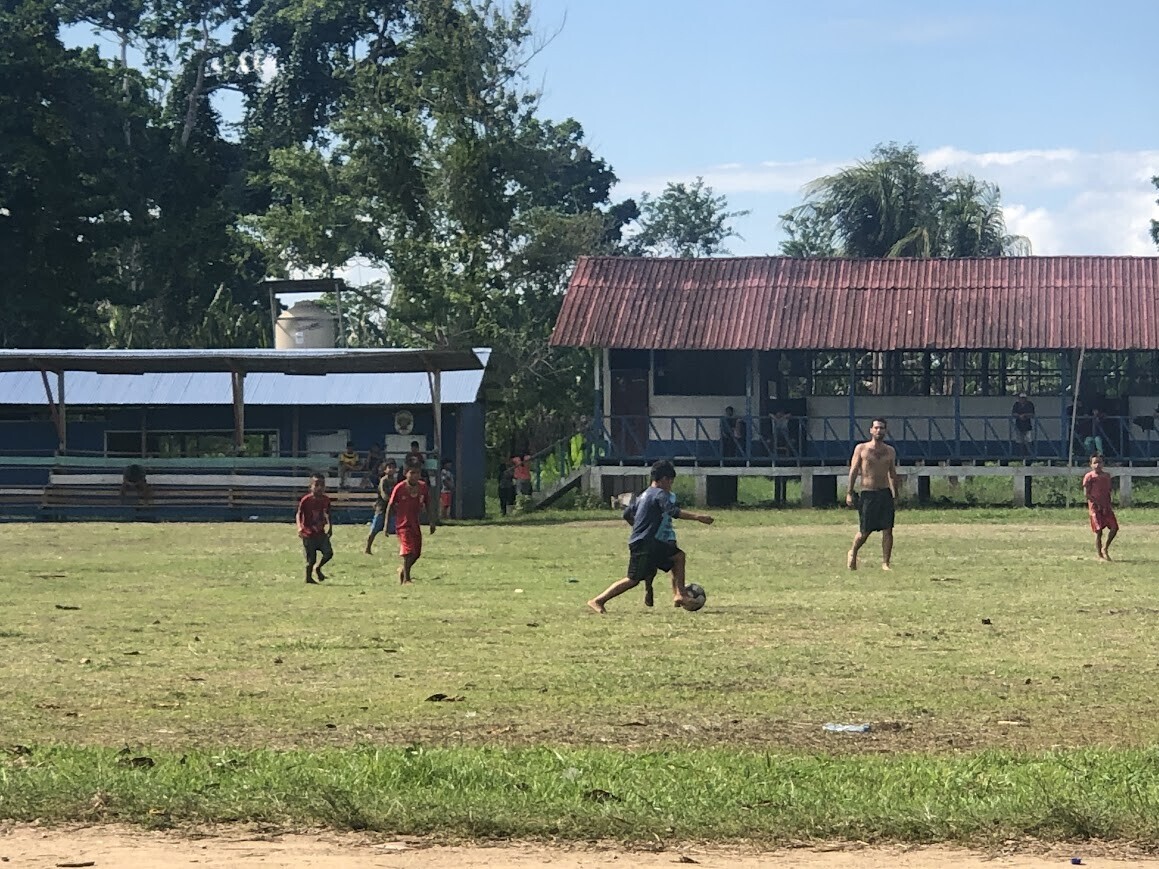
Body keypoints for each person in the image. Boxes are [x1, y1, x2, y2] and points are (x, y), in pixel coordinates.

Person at [587, 459, 714, 614]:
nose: (670, 486)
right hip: (644, 543)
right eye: (670, 482)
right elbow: (673, 512)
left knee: (678, 557)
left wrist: (639, 527)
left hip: (647, 541)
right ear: (664, 479)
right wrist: (698, 517)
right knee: (632, 579)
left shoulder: (643, 495)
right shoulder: (660, 494)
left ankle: (678, 594)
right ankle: (598, 600)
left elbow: (627, 513)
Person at [846, 418, 900, 571]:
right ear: (871, 430)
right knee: (865, 531)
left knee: (888, 529)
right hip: (868, 493)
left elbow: (892, 474)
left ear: (886, 431)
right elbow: (854, 471)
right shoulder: (861, 449)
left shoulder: (890, 451)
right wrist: (849, 492)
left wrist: (896, 494)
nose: (879, 431)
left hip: (884, 493)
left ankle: (885, 563)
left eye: (882, 428)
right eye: (876, 428)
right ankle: (853, 552)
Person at [385, 460, 436, 583]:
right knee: (409, 551)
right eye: (412, 473)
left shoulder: (423, 487)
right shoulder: (400, 488)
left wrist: (431, 521)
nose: (415, 476)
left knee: (417, 553)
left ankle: (403, 569)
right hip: (403, 524)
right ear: (405, 473)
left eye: (417, 473)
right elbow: (390, 506)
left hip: (415, 524)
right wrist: (386, 525)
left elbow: (428, 504)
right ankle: (407, 579)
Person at [296, 472, 333, 584]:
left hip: (320, 532)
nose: (320, 488)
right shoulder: (306, 500)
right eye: (317, 485)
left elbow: (328, 514)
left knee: (328, 553)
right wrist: (299, 527)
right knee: (311, 558)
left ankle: (318, 568)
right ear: (311, 486)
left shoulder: (326, 500)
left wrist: (330, 527)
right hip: (308, 533)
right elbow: (298, 513)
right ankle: (308, 577)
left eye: (322, 485)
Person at [1082, 454, 1118, 561]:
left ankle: (1105, 547)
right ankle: (1100, 555)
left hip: (1106, 506)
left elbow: (1108, 491)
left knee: (1114, 528)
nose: (1097, 465)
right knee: (1099, 531)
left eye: (1100, 462)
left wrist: (1108, 503)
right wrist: (1097, 503)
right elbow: (1087, 494)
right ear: (1091, 465)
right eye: (1095, 462)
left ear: (1103, 464)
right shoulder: (1089, 476)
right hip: (1095, 507)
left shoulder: (1106, 476)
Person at [364, 459, 399, 555]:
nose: (391, 470)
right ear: (385, 470)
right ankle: (367, 548)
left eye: (393, 468)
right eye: (389, 468)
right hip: (382, 508)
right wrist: (392, 501)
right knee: (375, 529)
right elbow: (384, 495)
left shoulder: (395, 481)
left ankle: (402, 549)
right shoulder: (383, 481)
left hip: (391, 509)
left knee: (396, 529)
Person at [1011, 392, 1036, 458]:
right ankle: (1020, 455)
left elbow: (1032, 414)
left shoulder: (1030, 404)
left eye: (1024, 398)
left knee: (1028, 441)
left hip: (1027, 426)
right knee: (1019, 441)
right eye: (1021, 398)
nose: (1022, 399)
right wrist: (1019, 416)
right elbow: (1013, 413)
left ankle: (1029, 455)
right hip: (1018, 426)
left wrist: (1025, 415)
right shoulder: (1016, 404)